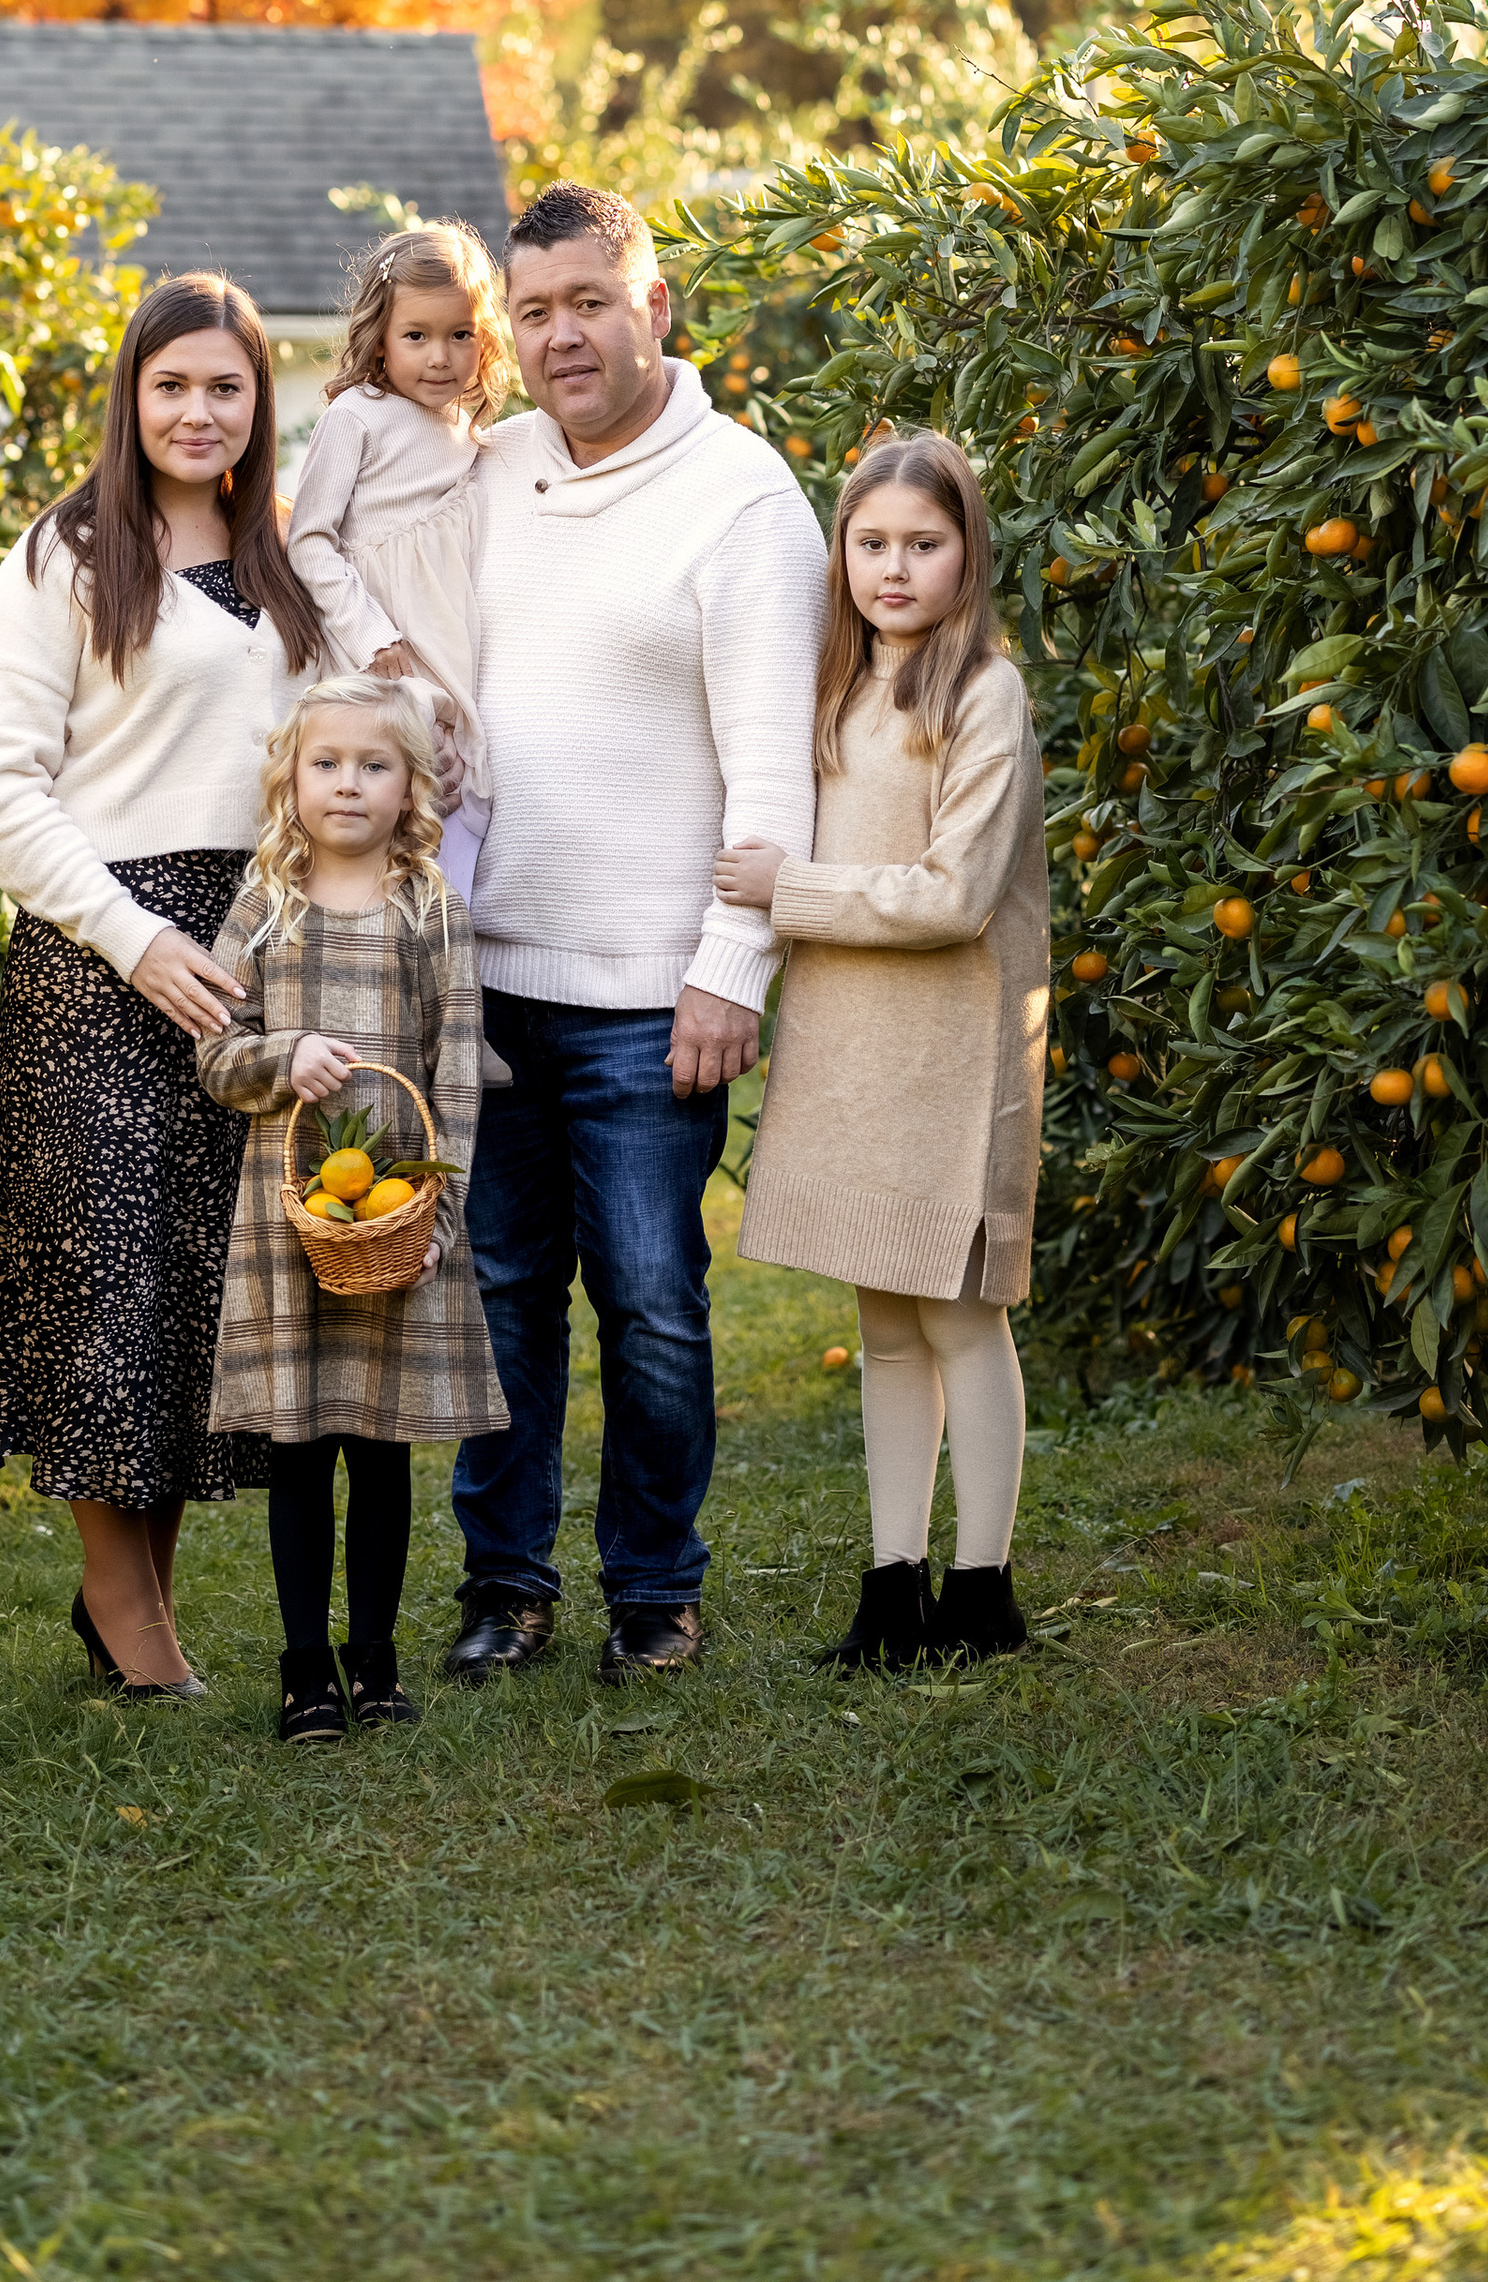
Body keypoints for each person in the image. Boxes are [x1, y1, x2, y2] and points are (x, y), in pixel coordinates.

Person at [449, 179, 827, 1684]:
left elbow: (775, 770)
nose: (562, 337)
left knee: (654, 1306)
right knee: (500, 1301)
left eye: (590, 304)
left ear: (654, 307)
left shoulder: (743, 499)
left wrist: (731, 971)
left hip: (650, 996)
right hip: (484, 980)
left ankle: (654, 1591)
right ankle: (506, 1584)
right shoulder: (484, 474)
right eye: (534, 311)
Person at [0, 271, 322, 1698]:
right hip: (101, 959)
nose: (197, 411)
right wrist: (133, 936)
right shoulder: (65, 555)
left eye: (225, 386)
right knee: (108, 1289)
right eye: (172, 385)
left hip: (242, 958)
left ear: (257, 402)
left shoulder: (283, 562)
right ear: (132, 395)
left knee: (192, 1301)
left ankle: (132, 1605)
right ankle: (129, 1616)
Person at [721, 432, 1049, 1672]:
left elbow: (954, 894)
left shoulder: (982, 694)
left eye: (923, 543)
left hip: (951, 1049)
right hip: (851, 1044)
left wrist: (789, 892)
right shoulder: (833, 688)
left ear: (968, 553)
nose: (894, 569)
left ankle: (982, 1589)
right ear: (840, 555)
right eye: (870, 544)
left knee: (961, 1318)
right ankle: (892, 1584)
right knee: (887, 1326)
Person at [196, 672, 505, 1742]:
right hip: (289, 1218)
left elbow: (455, 1075)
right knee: (298, 1449)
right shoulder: (263, 906)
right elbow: (216, 1055)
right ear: (291, 776)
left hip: (397, 1218)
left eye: (374, 765)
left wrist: (438, 1221)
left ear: (410, 785)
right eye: (325, 762)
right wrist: (285, 1056)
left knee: (380, 1446)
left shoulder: (432, 910)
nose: (347, 783)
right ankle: (304, 1671)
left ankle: (373, 1660)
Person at [285, 221, 511, 900]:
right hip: (379, 650)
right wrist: (373, 637)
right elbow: (310, 540)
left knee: (450, 808)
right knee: (371, 814)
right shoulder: (358, 414)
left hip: (445, 644)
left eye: (460, 334)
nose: (440, 357)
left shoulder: (470, 435)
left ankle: (440, 942)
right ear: (380, 337)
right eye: (416, 336)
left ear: (485, 337)